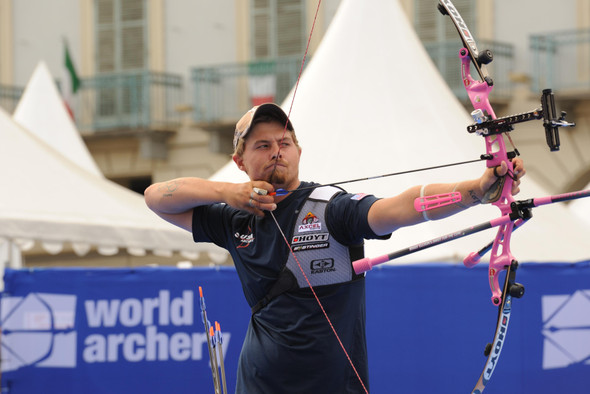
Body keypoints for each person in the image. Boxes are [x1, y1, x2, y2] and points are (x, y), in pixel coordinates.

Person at [144, 103, 525, 393]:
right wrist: (226, 192)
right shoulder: (235, 220)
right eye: (262, 145)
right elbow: (156, 197)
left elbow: (399, 207)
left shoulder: (331, 207)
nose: (277, 150)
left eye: (285, 142)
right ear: (239, 161)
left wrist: (476, 190)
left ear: (298, 151)